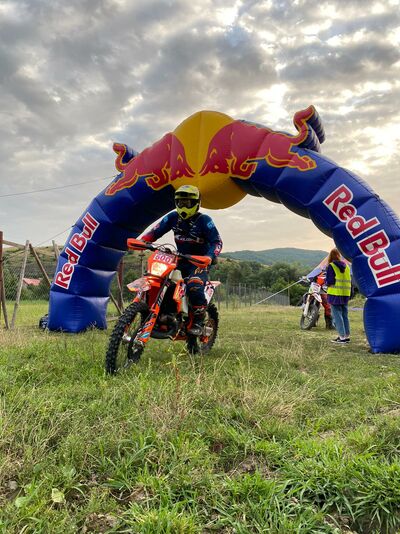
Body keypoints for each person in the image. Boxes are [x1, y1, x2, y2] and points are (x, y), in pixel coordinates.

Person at [141, 184, 223, 335]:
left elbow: (217, 242)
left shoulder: (204, 220)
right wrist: (143, 241)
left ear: (196, 203)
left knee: (194, 284)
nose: (184, 206)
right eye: (180, 202)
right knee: (159, 279)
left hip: (199, 262)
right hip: (179, 259)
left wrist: (209, 257)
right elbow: (155, 231)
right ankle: (161, 314)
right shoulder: (172, 217)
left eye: (188, 202)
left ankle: (198, 319)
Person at [326, 247, 352, 344]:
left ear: (330, 256)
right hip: (345, 294)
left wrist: (325, 282)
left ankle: (342, 337)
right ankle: (347, 336)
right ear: (339, 256)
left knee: (337, 316)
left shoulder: (331, 266)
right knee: (344, 315)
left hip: (335, 294)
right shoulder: (347, 266)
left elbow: (330, 281)